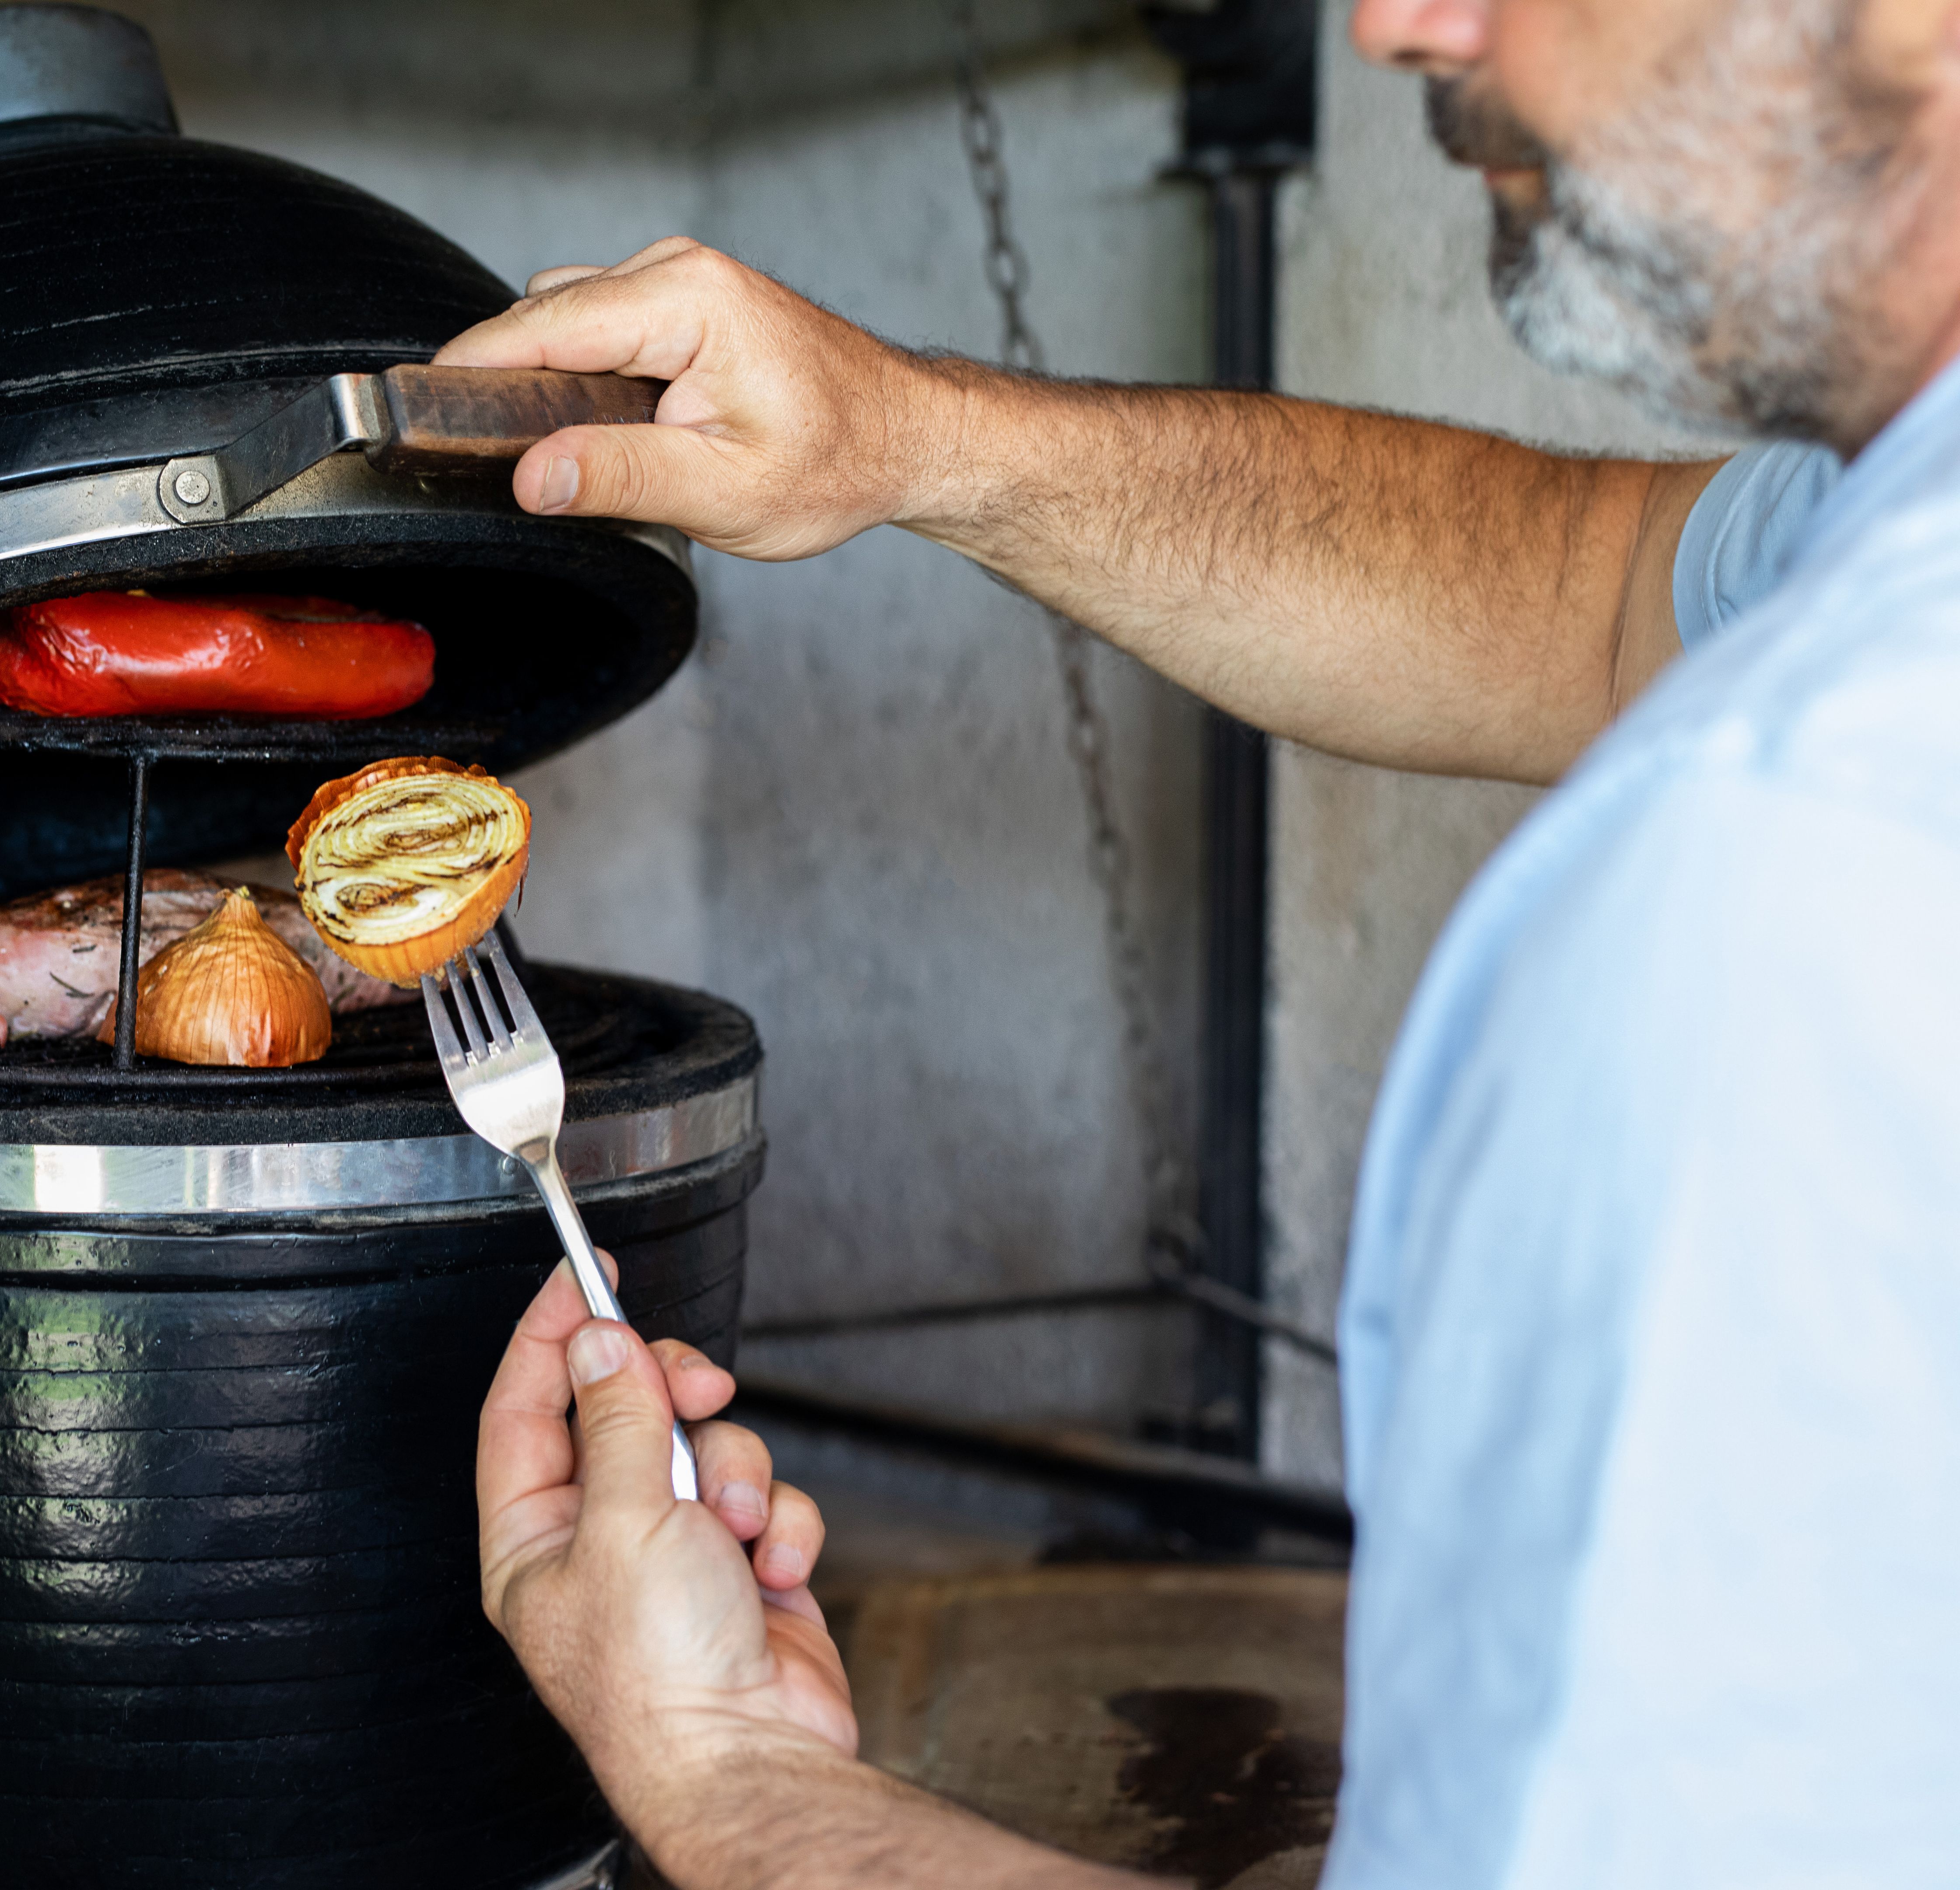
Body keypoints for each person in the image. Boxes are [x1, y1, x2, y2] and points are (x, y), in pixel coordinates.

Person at [454, 0, 1960, 1884]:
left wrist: (726, 1780)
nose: (1398, 24)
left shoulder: (1783, 881)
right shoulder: (1887, 551)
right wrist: (910, 436)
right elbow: (1583, 592)